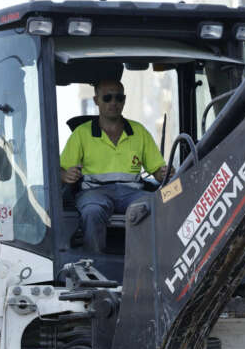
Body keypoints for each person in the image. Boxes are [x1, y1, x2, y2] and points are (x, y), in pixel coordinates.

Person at [60, 79, 167, 252]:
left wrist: (164, 174)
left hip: (132, 193)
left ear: (124, 100)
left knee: (157, 207)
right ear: (96, 100)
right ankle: (93, 264)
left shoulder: (139, 132)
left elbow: (157, 170)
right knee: (92, 211)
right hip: (94, 192)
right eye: (107, 98)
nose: (114, 103)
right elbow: (60, 170)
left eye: (119, 98)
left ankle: (149, 265)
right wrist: (65, 175)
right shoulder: (82, 134)